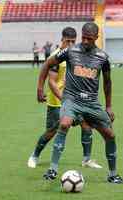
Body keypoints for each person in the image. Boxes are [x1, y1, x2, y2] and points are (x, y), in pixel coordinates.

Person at [37, 22, 123, 184]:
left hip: (92, 103)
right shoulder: (70, 51)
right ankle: (53, 169)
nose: (84, 41)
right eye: (83, 37)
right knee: (64, 124)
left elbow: (107, 83)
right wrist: (39, 88)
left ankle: (113, 174)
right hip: (72, 99)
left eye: (89, 39)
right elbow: (48, 64)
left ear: (96, 38)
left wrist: (109, 106)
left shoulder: (103, 58)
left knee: (110, 135)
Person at [28, 27, 102, 169]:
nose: (70, 44)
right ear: (61, 39)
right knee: (51, 132)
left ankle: (86, 160)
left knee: (86, 126)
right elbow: (52, 82)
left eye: (73, 41)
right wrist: (65, 100)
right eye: (67, 41)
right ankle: (35, 155)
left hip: (77, 101)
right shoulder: (57, 56)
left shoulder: (77, 55)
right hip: (57, 102)